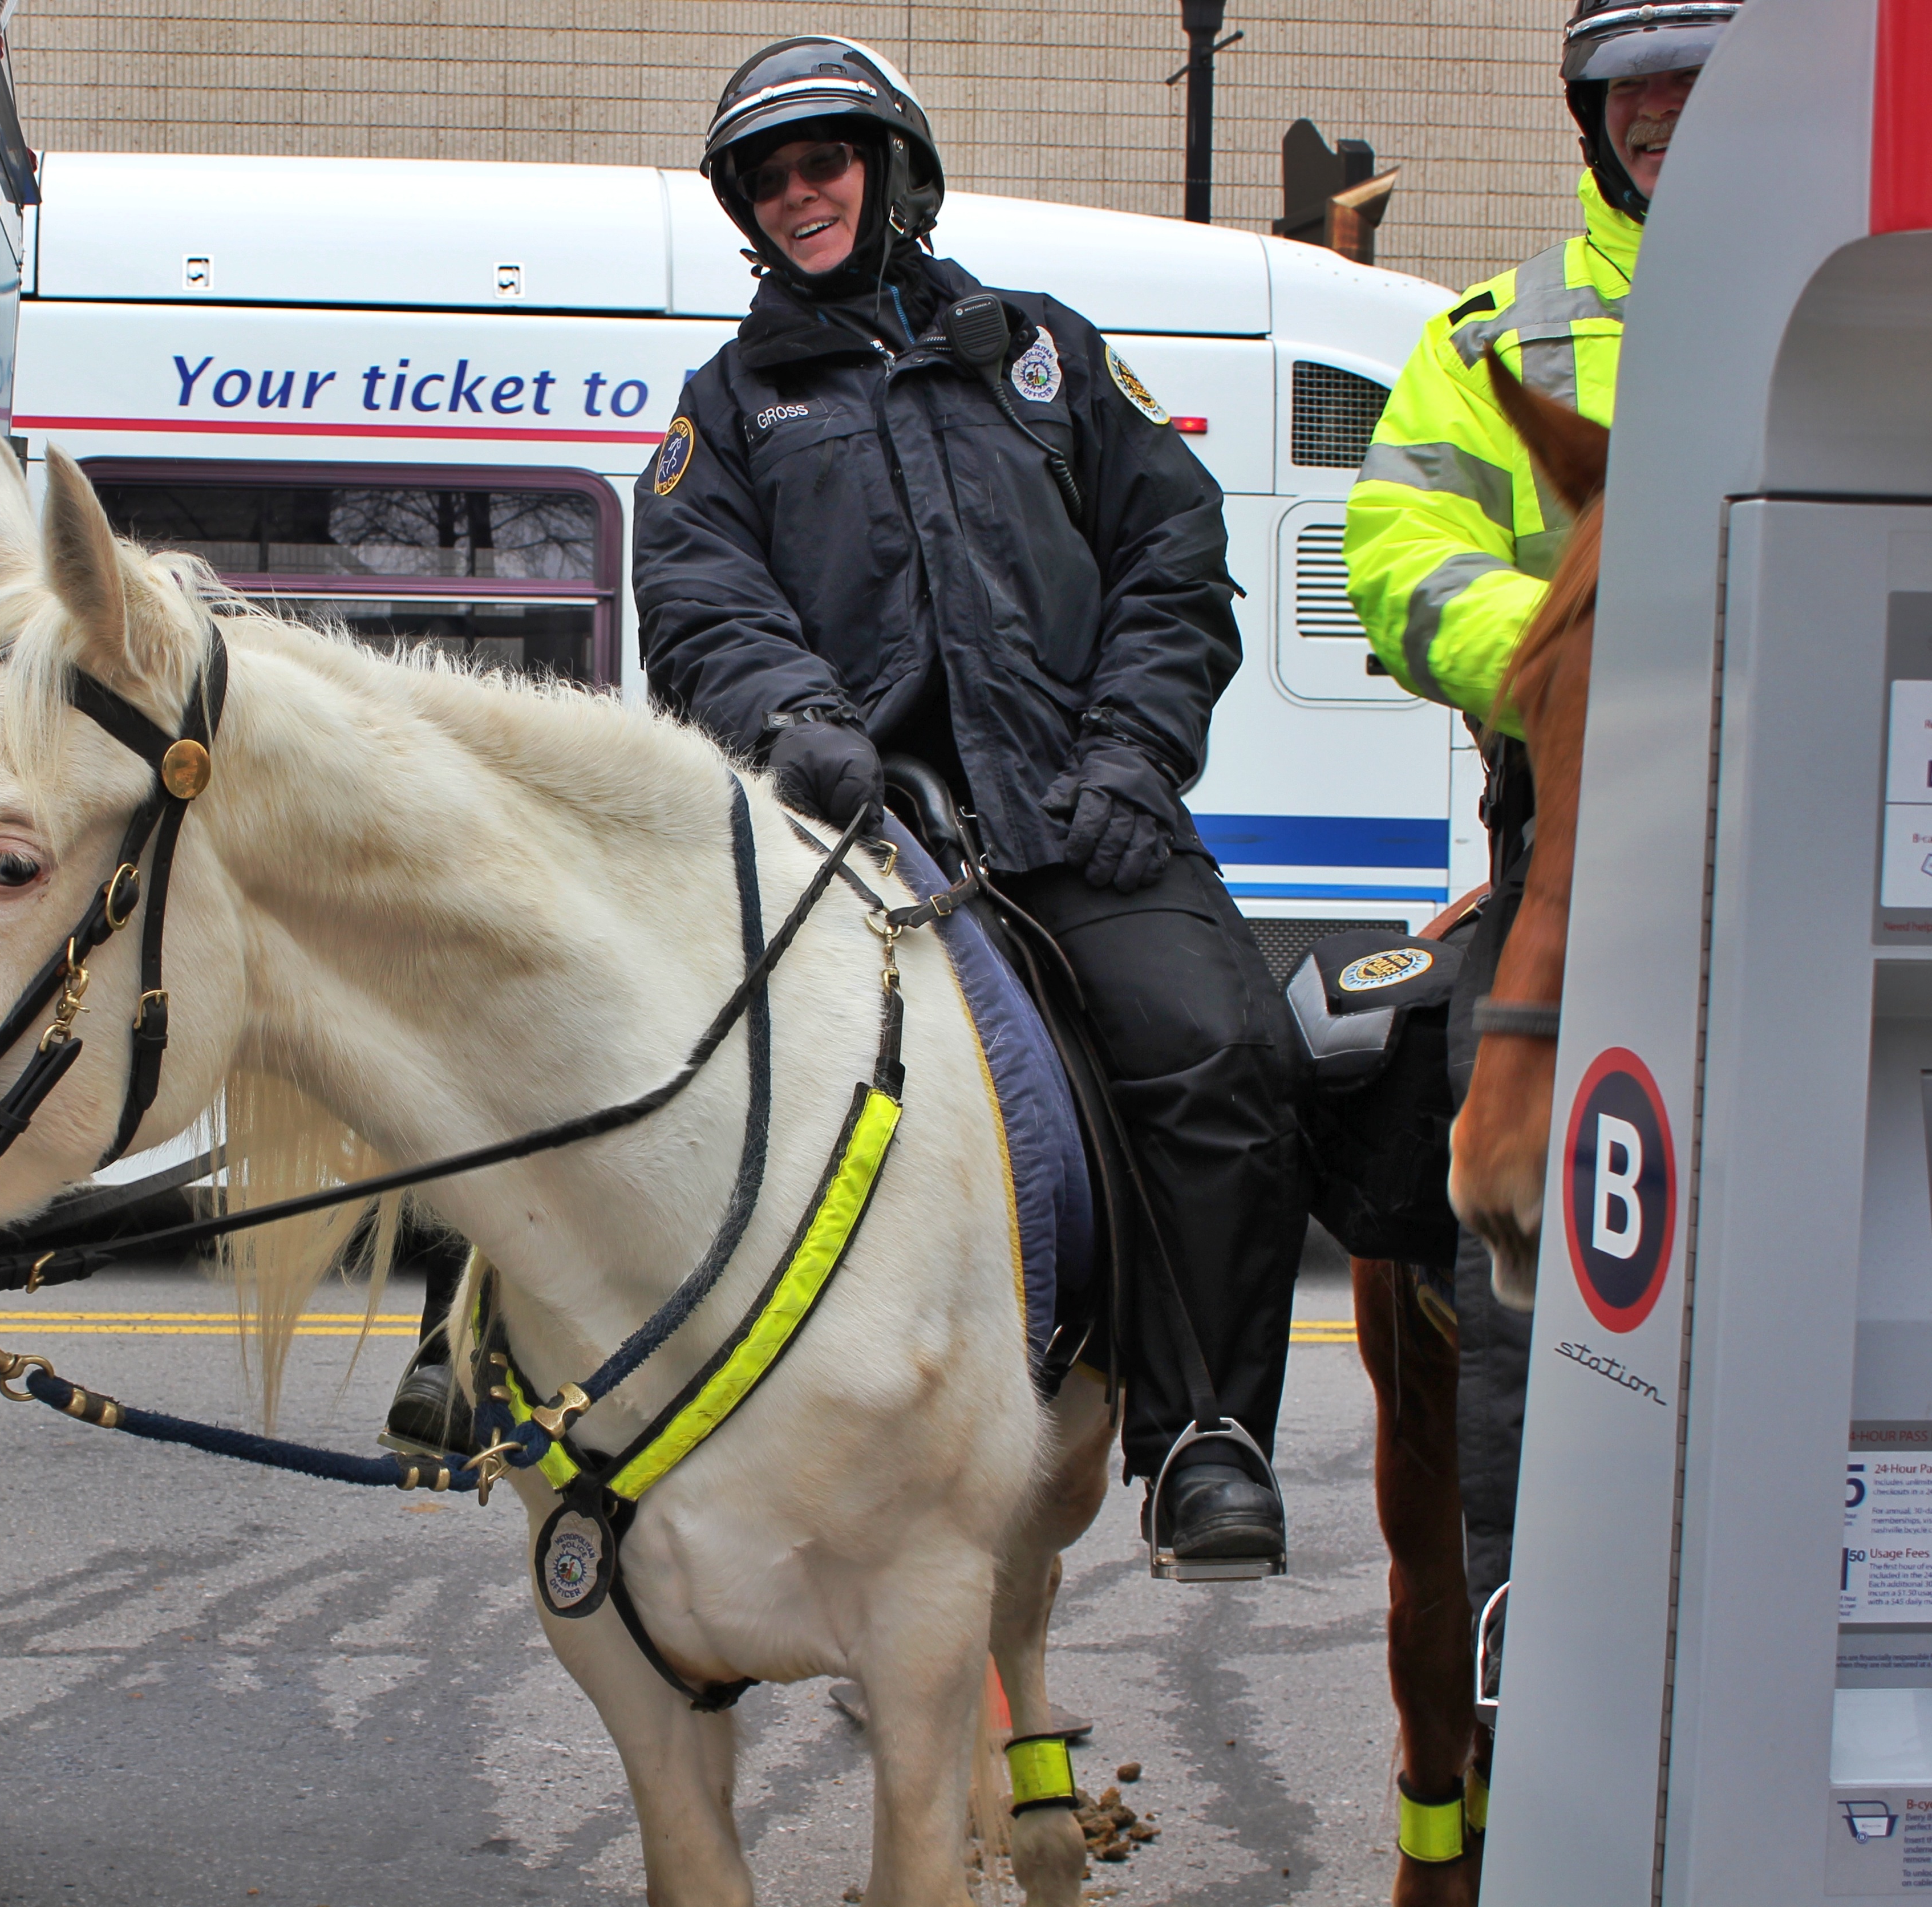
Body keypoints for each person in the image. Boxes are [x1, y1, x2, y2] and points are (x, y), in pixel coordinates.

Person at [613, 36, 1311, 1568]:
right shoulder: (726, 408)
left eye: (825, 163)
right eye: (772, 178)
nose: (801, 196)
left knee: (1221, 1050)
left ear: (891, 172)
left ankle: (1202, 1433)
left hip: (1077, 819)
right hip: (848, 838)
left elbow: (1171, 560)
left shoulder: (1041, 353)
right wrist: (793, 718)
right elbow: (698, 599)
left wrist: (1132, 750)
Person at [1346, 0, 1737, 1641]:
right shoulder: (1495, 331)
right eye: (1625, 84)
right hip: (1576, 826)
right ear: (1586, 113)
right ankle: (1521, 1622)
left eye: (1694, 78)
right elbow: (1398, 555)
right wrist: (1581, 663)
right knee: (1469, 1155)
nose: (1656, 109)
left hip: (1845, 829)